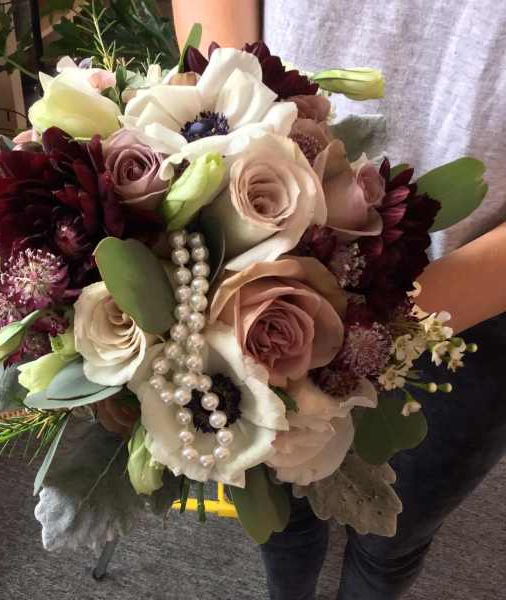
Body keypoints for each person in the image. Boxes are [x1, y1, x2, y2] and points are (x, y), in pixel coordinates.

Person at [169, 2, 506, 599]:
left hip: (477, 306)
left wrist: (374, 326)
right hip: (255, 257)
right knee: (282, 516)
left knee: (392, 537)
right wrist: (230, 140)